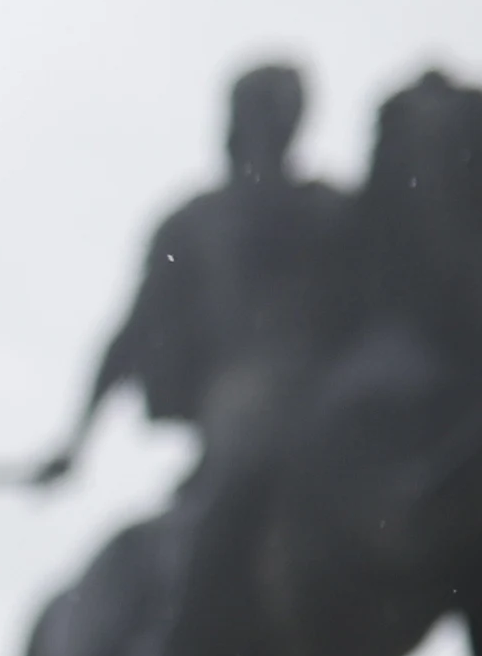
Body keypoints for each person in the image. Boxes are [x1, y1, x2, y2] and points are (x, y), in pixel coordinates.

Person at [25, 61, 350, 486]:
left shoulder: (330, 211)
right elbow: (133, 334)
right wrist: (76, 441)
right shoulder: (195, 224)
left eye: (278, 118)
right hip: (241, 400)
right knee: (245, 430)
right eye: (260, 115)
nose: (269, 132)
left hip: (332, 386)